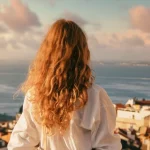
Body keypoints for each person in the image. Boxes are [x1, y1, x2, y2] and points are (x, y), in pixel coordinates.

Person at [8, 19, 122, 150]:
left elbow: (19, 146)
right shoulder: (96, 96)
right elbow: (108, 147)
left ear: (46, 52)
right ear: (82, 53)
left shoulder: (35, 96)